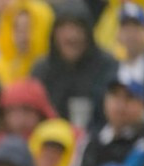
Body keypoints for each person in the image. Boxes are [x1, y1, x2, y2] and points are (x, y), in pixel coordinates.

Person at [31, 2, 117, 130]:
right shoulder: (42, 71)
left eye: (78, 28)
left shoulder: (107, 67)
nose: (71, 36)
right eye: (64, 29)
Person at [76, 78, 144, 166]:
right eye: (115, 96)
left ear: (143, 105)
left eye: (129, 98)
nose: (121, 105)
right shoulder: (92, 140)